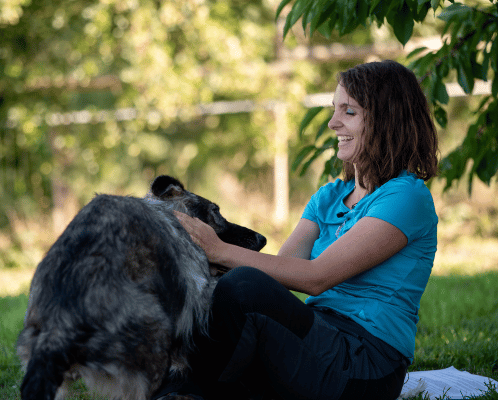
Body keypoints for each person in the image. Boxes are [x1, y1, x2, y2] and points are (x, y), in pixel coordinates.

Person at [154, 59, 439, 400]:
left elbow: (316, 277)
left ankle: (179, 392)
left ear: (385, 119)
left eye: (349, 112)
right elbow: (279, 277)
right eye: (335, 110)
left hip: (366, 365)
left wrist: (219, 249)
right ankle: (177, 389)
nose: (334, 123)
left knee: (243, 284)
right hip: (315, 343)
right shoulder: (329, 197)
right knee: (223, 292)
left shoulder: (406, 197)